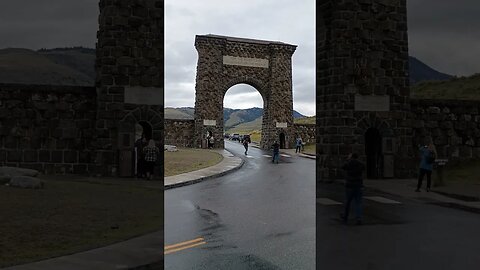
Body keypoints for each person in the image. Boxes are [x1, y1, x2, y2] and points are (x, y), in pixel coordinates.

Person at [340, 153, 366, 225]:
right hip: (359, 185)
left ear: (351, 157)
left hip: (350, 185)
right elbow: (364, 168)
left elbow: (342, 167)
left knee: (348, 202)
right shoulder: (360, 164)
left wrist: (347, 160)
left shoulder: (349, 163)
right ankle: (359, 218)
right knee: (358, 202)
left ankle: (345, 216)